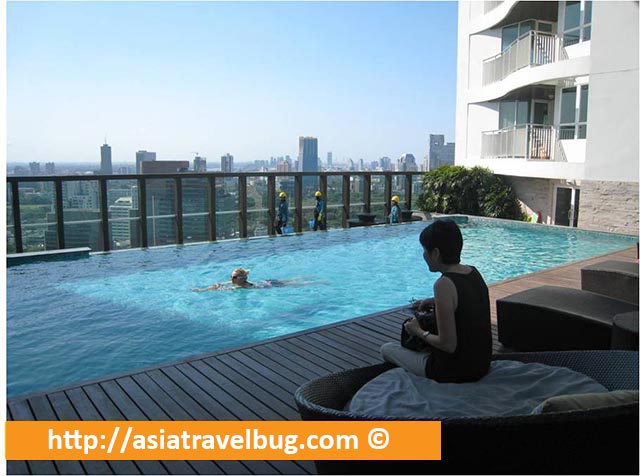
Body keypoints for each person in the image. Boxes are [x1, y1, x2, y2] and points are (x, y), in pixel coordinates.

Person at [380, 220, 492, 383]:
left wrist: (418, 330)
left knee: (387, 349)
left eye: (425, 250)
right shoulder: (473, 272)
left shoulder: (443, 284)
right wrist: (432, 301)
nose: (423, 255)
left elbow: (448, 345)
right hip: (481, 363)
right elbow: (465, 299)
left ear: (436, 253)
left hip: (455, 371)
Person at [192, 267, 326, 291]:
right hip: (267, 281)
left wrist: (215, 289)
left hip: (270, 285)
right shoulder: (239, 282)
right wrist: (203, 289)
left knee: (294, 284)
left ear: (240, 278)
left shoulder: (242, 285)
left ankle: (316, 282)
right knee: (289, 280)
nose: (230, 279)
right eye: (230, 277)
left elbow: (229, 289)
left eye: (233, 277)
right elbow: (221, 285)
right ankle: (308, 277)